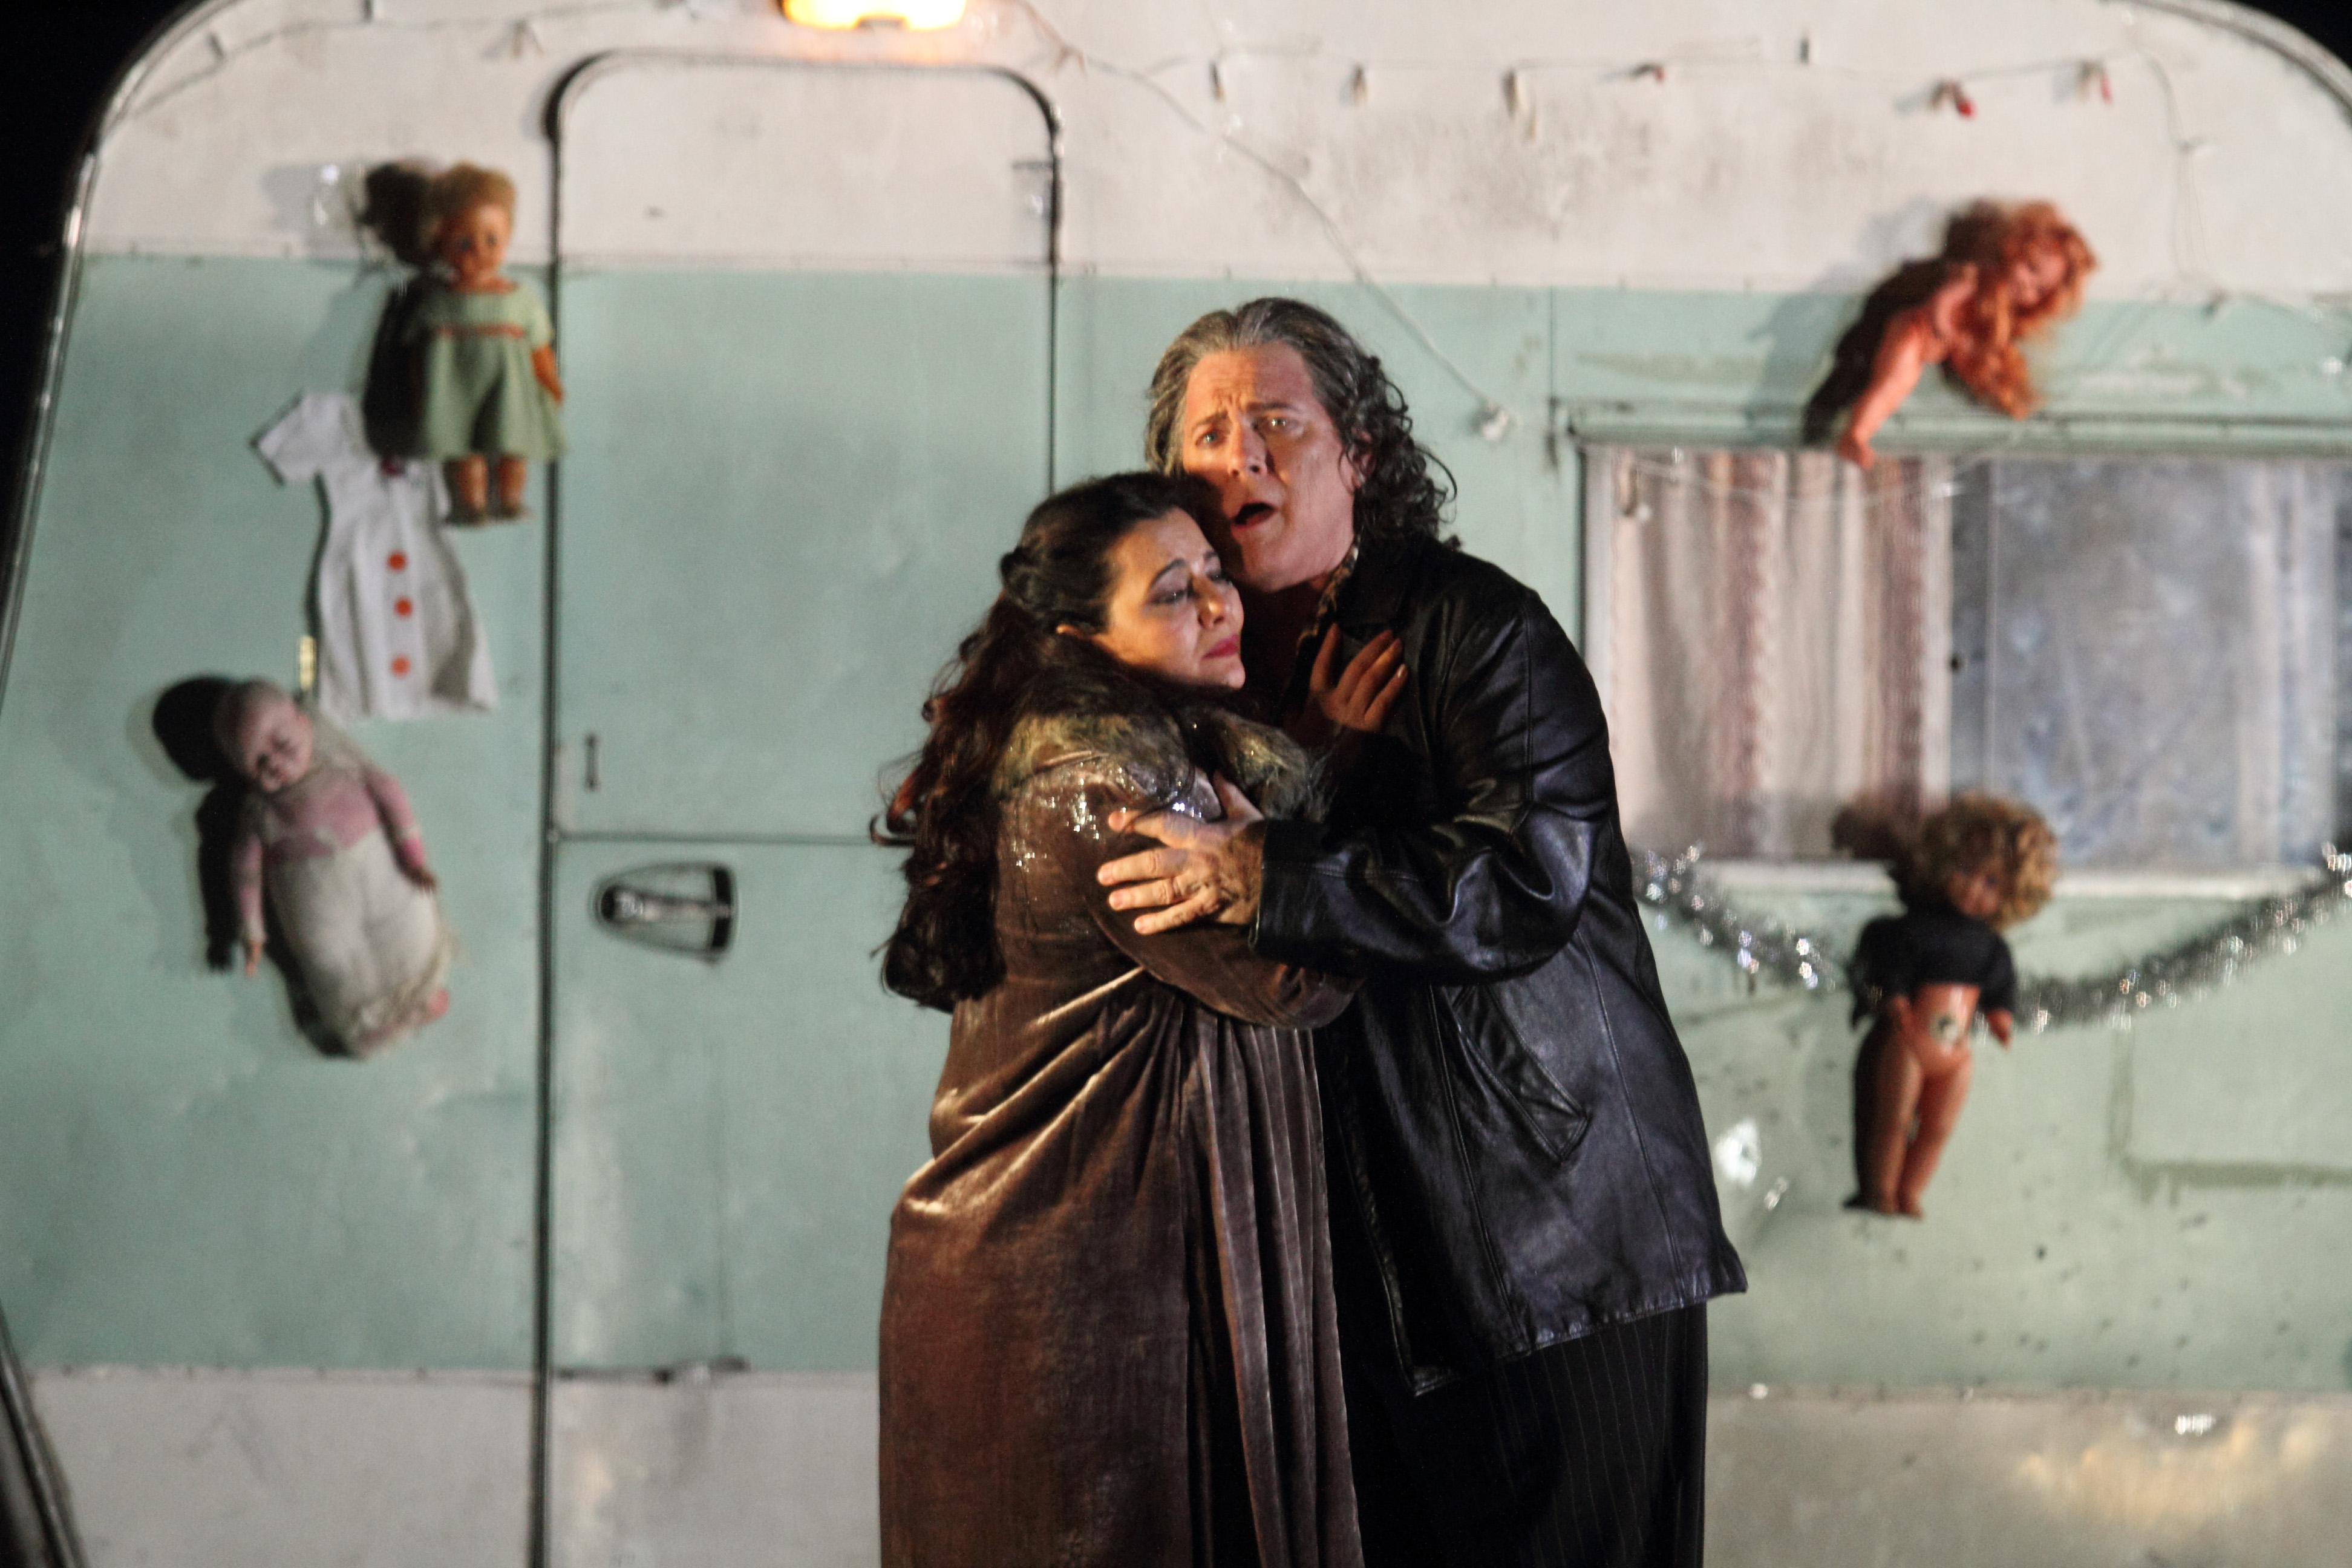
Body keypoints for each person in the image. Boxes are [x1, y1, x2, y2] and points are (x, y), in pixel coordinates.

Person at [1100, 299, 1746, 1567]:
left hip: (1548, 1238)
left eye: (1278, 423)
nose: (1241, 456)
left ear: (1360, 458)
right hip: (1351, 1268)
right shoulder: (1198, 669)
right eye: (1209, 434)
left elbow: (1529, 879)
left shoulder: (1469, 626)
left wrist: (1269, 871)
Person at [875, 472, 1391, 1567]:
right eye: (1169, 592)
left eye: (1211, 572)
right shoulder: (1102, 783)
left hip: (1085, 1260)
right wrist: (1295, 858)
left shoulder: (1151, 751)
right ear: (1081, 635)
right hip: (1067, 1289)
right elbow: (1289, 979)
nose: (1216, 603)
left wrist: (1311, 759)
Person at [215, 679, 454, 1055]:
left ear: (304, 723)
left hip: (382, 881)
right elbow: (245, 873)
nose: (275, 764)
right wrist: (253, 930)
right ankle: (365, 1024)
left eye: (282, 745)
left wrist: (413, 858)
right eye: (258, 763)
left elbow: (393, 801)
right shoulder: (259, 815)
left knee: (407, 930)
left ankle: (422, 993)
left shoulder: (348, 771)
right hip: (321, 910)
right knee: (333, 963)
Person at [1847, 793, 2057, 1218]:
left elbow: (2000, 987)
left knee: (1938, 1129)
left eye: (1991, 883)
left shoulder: (1992, 948)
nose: (1972, 887)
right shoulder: (1918, 929)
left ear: (2012, 894)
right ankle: (1881, 1189)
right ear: (1944, 862)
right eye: (1964, 870)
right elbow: (1896, 963)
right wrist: (1897, 1002)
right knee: (1893, 1119)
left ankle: (1911, 1191)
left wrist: (2000, 1018)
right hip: (1911, 1041)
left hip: (1956, 1054)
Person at [1805, 199, 2096, 471]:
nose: (2027, 287)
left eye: (2039, 290)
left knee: (1992, 368)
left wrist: (1973, 350)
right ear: (2013, 250)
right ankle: (1857, 433)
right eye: (2030, 269)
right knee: (1896, 380)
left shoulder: (2004, 315)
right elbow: (1942, 304)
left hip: (1948, 346)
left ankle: (2011, 398)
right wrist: (1943, 327)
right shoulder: (1974, 278)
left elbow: (1986, 343)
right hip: (1917, 330)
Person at [396, 162, 566, 520]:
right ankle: (470, 505)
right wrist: (419, 393)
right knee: (466, 452)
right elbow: (417, 354)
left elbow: (538, 346)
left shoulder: (519, 300)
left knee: (514, 449)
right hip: (456, 394)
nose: (479, 251)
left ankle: (510, 500)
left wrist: (548, 378)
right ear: (439, 240)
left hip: (509, 392)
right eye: (464, 242)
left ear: (508, 237)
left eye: (492, 240)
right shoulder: (438, 302)